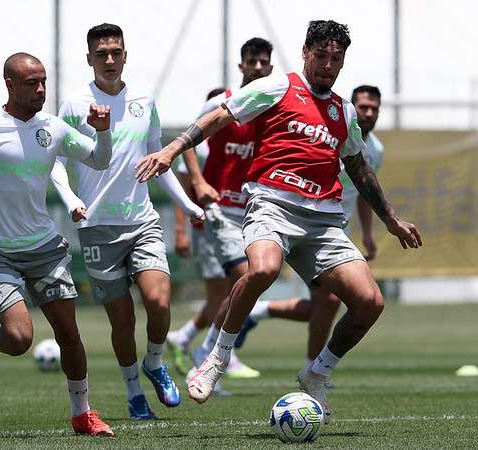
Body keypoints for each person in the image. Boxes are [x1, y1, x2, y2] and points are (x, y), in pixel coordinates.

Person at [135, 20, 422, 423]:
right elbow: (220, 116)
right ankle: (217, 357)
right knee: (263, 269)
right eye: (320, 55)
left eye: (335, 59)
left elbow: (357, 166)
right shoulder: (277, 87)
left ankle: (317, 371)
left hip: (323, 222)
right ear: (305, 52)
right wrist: (173, 148)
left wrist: (390, 218)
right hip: (272, 204)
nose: (326, 65)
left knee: (370, 303)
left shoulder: (343, 111)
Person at [0, 52, 115, 437]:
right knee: (19, 340)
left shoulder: (53, 128)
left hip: (45, 249)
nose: (41, 89)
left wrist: (104, 131)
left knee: (69, 334)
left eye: (44, 81)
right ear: (10, 85)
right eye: (32, 83)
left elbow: (98, 160)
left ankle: (83, 414)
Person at [50, 24, 204, 421]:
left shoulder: (143, 100)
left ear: (125, 55)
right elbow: (57, 167)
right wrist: (71, 201)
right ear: (89, 59)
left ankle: (155, 363)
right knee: (122, 319)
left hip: (142, 222)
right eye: (101, 53)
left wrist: (186, 204)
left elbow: (159, 160)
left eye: (116, 51)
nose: (109, 59)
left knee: (159, 300)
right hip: (97, 228)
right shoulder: (72, 104)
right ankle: (134, 393)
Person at [235, 84, 387, 368]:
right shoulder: (330, 135)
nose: (368, 113)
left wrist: (367, 234)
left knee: (329, 303)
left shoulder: (375, 150)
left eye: (374, 108)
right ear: (351, 109)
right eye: (363, 107)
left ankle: (260, 315)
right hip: (297, 221)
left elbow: (366, 190)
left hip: (333, 231)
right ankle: (311, 370)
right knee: (325, 301)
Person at [167, 86, 262, 382]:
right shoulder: (204, 145)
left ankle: (190, 340)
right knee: (240, 283)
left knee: (230, 292)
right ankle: (214, 352)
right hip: (211, 222)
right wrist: (182, 228)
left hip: (239, 219)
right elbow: (185, 186)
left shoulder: (253, 127)